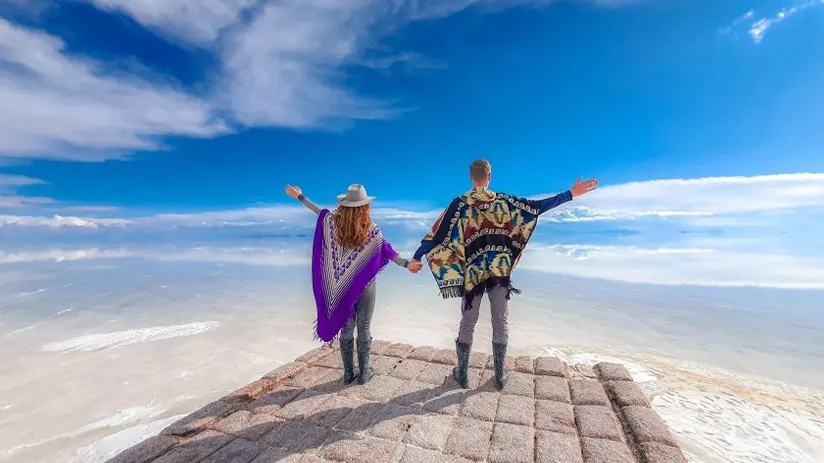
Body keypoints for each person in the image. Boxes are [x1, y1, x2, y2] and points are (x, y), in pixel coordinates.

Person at [411, 160, 598, 390]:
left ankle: (463, 374)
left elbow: (437, 236)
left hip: (474, 275)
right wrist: (570, 194)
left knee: (468, 321)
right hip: (499, 272)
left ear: (471, 177)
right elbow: (537, 207)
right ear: (489, 176)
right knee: (500, 321)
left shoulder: (460, 204)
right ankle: (500, 376)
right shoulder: (505, 202)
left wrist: (417, 256)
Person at [286, 183, 422, 385]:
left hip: (342, 290)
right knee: (364, 328)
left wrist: (300, 197)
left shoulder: (332, 222)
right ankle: (364, 372)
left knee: (347, 329)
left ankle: (349, 373)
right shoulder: (371, 229)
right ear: (365, 206)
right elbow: (388, 251)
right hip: (365, 287)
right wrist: (407, 264)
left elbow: (317, 211)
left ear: (345, 204)